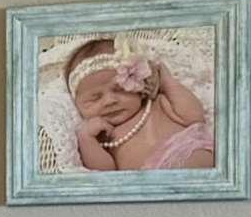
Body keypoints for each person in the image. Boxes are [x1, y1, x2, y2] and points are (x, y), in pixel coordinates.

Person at [61, 37, 212, 172]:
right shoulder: (102, 136)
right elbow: (105, 172)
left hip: (187, 152)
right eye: (95, 98)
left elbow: (194, 117)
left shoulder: (157, 104)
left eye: (120, 89)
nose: (109, 101)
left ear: (139, 85)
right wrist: (87, 139)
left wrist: (168, 82)